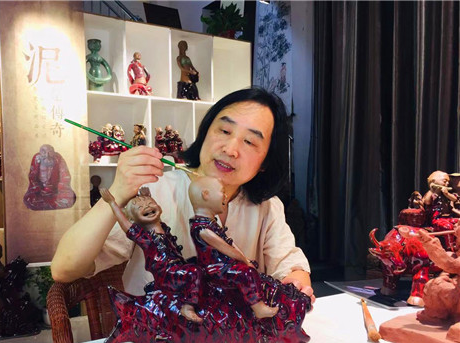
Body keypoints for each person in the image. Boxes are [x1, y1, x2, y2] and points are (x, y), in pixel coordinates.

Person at [52, 87, 314, 306]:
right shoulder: (151, 193)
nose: (230, 149)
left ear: (266, 161)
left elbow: (289, 265)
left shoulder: (266, 207)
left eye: (250, 142)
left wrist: (297, 282)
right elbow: (65, 268)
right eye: (224, 131)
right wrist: (119, 191)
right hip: (159, 340)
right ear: (205, 132)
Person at [100, 186, 203, 323]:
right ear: (132, 219)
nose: (147, 207)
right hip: (165, 273)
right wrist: (112, 203)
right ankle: (188, 306)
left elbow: (152, 212)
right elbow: (126, 226)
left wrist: (148, 197)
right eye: (140, 207)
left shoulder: (163, 228)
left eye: (150, 203)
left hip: (177, 266)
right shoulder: (146, 238)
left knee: (199, 263)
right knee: (194, 272)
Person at [189, 176, 279, 318]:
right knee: (246, 273)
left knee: (251, 270)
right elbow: (227, 248)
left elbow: (230, 244)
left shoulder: (210, 224)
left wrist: (245, 260)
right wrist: (245, 261)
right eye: (222, 191)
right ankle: (258, 308)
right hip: (213, 269)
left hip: (222, 265)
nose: (225, 196)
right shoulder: (202, 229)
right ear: (206, 195)